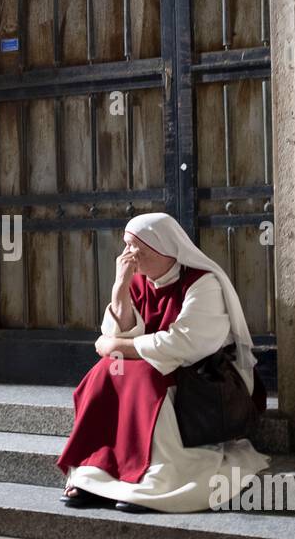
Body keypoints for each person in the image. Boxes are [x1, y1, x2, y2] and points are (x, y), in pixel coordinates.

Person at [55, 211, 270, 513]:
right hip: (156, 368)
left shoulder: (202, 283)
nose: (127, 254)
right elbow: (115, 337)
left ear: (161, 247)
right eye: (125, 245)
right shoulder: (137, 281)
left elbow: (184, 343)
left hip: (202, 377)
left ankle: (155, 477)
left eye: (135, 246)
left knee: (137, 374)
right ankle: (93, 473)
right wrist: (119, 290)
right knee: (105, 372)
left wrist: (117, 345)